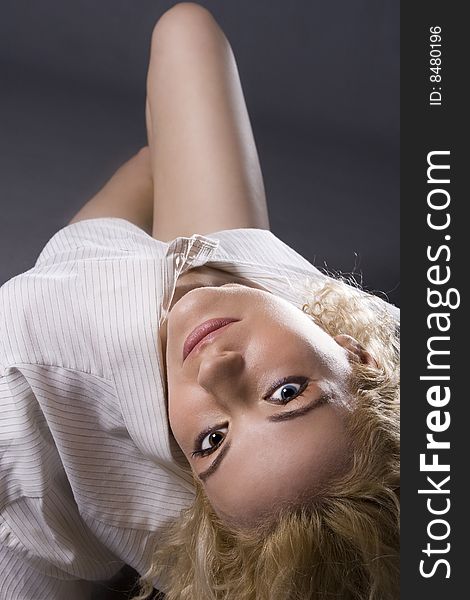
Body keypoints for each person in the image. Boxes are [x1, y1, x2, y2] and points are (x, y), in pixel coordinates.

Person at [0, 3, 399, 599]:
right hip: (213, 266)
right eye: (286, 392)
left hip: (81, 316)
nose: (213, 368)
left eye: (212, 439)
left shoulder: (36, 349)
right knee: (185, 30)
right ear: (360, 356)